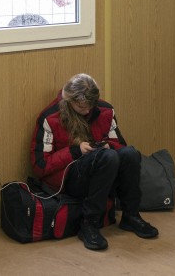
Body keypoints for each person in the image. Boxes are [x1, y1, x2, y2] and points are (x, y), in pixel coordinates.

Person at [30, 73, 158, 250]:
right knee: (109, 157)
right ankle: (89, 224)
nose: (88, 111)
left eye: (91, 105)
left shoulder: (105, 110)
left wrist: (108, 146)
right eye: (82, 107)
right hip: (70, 179)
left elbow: (120, 145)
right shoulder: (50, 118)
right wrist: (75, 151)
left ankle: (131, 216)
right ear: (70, 101)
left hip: (104, 171)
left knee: (130, 154)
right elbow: (40, 166)